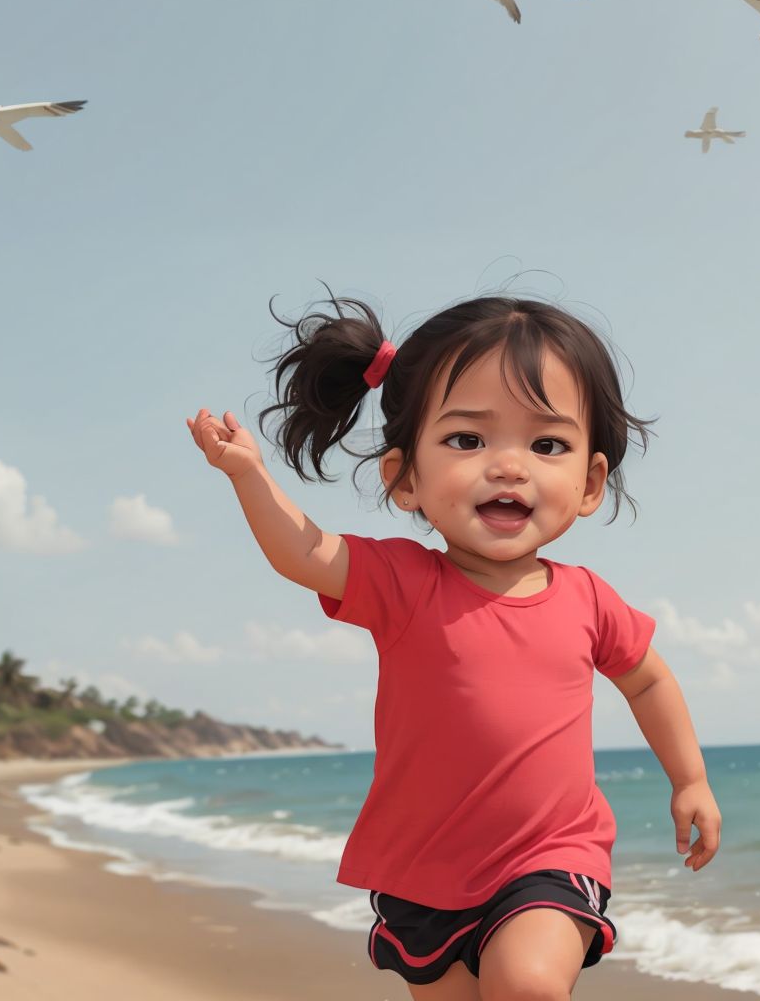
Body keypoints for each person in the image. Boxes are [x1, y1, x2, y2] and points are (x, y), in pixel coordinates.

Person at [187, 293, 722, 1001]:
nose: (509, 466)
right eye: (468, 441)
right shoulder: (403, 583)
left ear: (589, 482)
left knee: (527, 984)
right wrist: (249, 476)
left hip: (551, 854)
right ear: (405, 478)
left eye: (547, 444)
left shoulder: (589, 598)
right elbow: (304, 553)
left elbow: (647, 681)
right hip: (423, 871)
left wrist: (689, 779)